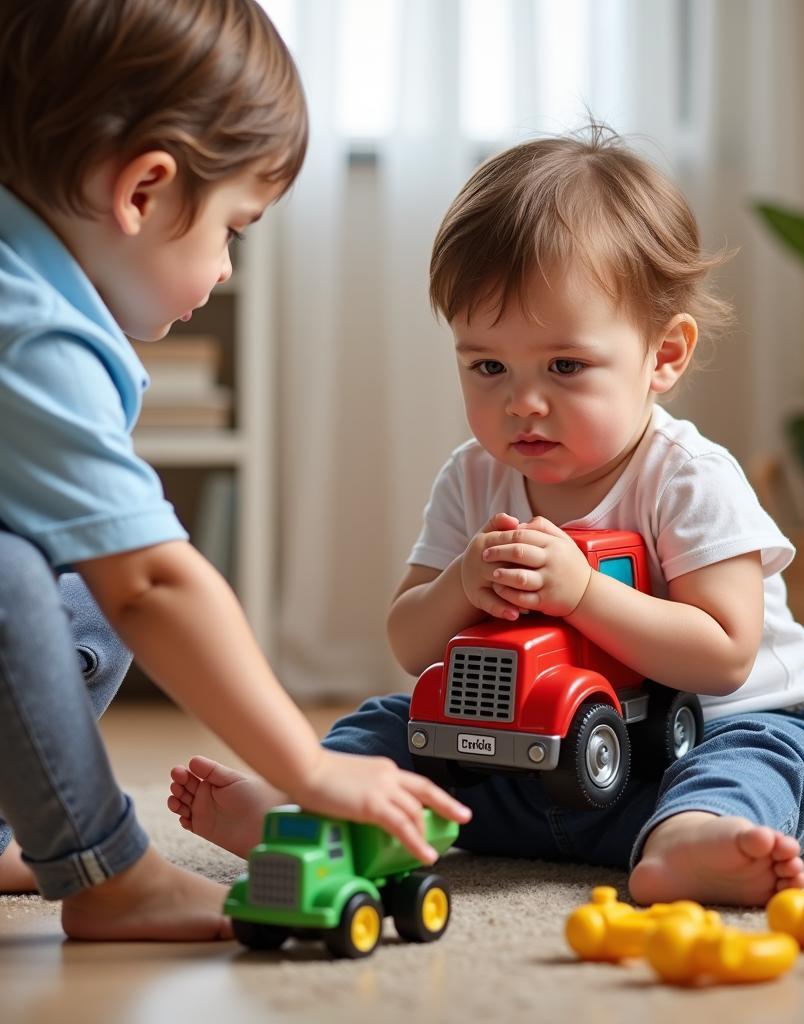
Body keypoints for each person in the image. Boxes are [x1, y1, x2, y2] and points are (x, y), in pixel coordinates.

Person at [168, 125, 804, 908]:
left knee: (767, 758)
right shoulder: (474, 475)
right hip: (527, 762)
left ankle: (689, 837)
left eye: (565, 366)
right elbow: (409, 643)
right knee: (392, 723)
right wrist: (463, 580)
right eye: (487, 365)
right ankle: (315, 810)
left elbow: (726, 656)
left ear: (663, 356)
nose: (522, 402)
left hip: (688, 740)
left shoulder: (688, 479)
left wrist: (583, 595)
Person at [0, 0, 469, 942]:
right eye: (232, 230)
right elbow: (156, 583)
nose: (221, 270)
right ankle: (107, 873)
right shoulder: (32, 330)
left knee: (78, 574)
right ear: (145, 190)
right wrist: (311, 767)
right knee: (30, 582)